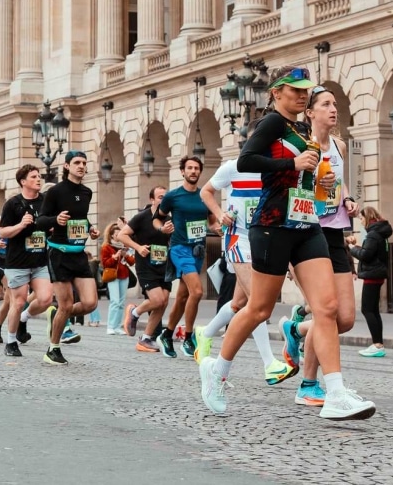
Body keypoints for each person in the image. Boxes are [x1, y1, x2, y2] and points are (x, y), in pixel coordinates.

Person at [198, 65, 375, 420]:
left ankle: (335, 393)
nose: (302, 95)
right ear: (277, 92)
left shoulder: (301, 128)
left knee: (326, 308)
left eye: (305, 90)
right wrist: (293, 163)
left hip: (307, 225)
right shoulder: (272, 123)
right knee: (259, 309)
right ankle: (217, 370)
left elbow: (305, 176)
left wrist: (324, 186)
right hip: (273, 226)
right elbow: (246, 160)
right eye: (295, 90)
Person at [281, 86, 362, 403]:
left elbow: (339, 184)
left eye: (335, 104)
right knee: (324, 313)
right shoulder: (301, 147)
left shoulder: (340, 146)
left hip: (335, 233)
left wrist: (348, 200)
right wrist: (315, 182)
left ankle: (296, 330)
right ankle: (309, 385)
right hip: (307, 234)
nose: (333, 109)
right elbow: (288, 189)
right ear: (310, 112)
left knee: (345, 319)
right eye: (326, 104)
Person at [195, 158, 295, 387]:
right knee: (256, 302)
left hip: (263, 240)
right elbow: (206, 191)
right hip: (238, 239)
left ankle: (205, 333)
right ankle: (270, 364)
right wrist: (220, 214)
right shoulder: (234, 167)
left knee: (238, 303)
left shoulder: (277, 169)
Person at [38, 150, 100, 364]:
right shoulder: (55, 191)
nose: (81, 166)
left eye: (84, 163)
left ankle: (56, 315)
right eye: (77, 163)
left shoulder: (87, 192)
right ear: (66, 166)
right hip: (59, 253)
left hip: (79, 254)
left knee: (90, 303)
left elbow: (81, 218)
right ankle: (52, 349)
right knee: (66, 304)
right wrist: (56, 220)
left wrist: (91, 229)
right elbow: (41, 221)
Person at [152, 156, 214, 358]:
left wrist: (218, 228)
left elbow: (212, 221)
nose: (193, 171)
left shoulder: (205, 195)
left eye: (196, 168)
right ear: (182, 171)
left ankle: (166, 335)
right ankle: (188, 337)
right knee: (197, 291)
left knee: (182, 297)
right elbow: (157, 219)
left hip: (198, 250)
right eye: (189, 168)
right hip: (180, 249)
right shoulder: (173, 196)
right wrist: (162, 228)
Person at [0, 165, 52, 357]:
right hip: (17, 262)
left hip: (39, 261)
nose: (38, 179)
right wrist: (21, 225)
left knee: (46, 299)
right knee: (19, 302)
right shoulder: (12, 204)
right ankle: (11, 341)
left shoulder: (46, 202)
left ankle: (24, 318)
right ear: (23, 181)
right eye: (34, 177)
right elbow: (3, 232)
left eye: (39, 176)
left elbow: (51, 224)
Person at [118, 187, 173, 352]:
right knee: (156, 300)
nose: (163, 200)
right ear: (152, 199)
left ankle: (146, 338)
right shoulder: (142, 217)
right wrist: (138, 247)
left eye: (166, 197)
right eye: (160, 197)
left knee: (163, 302)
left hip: (164, 264)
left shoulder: (169, 219)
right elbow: (121, 235)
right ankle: (134, 312)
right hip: (146, 265)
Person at [349, 207, 391, 358]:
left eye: (361, 218)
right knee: (373, 310)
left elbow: (366, 255)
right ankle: (378, 344)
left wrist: (352, 248)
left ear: (367, 217)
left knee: (367, 310)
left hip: (372, 275)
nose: (360, 222)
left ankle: (377, 344)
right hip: (377, 274)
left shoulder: (373, 234)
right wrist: (359, 247)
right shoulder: (380, 232)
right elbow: (371, 253)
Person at [99, 222, 134, 335]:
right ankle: (110, 326)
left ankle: (118, 326)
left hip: (124, 276)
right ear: (111, 236)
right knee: (115, 301)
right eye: (116, 235)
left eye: (120, 234)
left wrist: (125, 255)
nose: (119, 237)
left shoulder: (125, 247)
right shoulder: (106, 247)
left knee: (121, 302)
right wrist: (114, 257)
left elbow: (132, 262)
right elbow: (105, 264)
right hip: (113, 276)